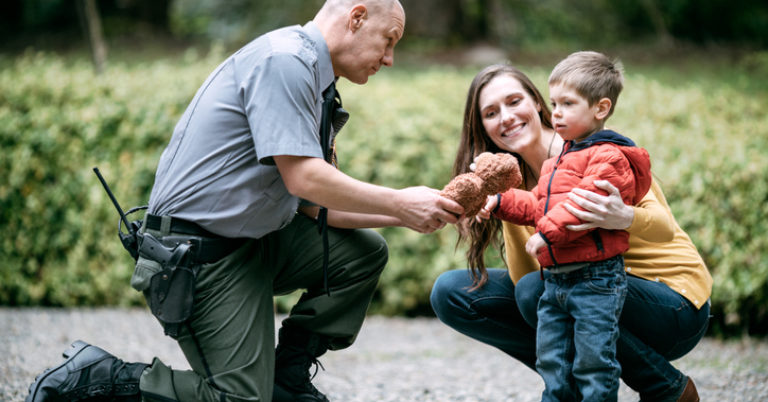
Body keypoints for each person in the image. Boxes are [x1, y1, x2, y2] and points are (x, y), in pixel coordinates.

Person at [26, 1, 463, 402]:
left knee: (361, 254)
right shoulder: (286, 60)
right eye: (389, 41)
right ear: (357, 17)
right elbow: (304, 177)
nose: (389, 58)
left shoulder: (318, 79)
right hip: (195, 256)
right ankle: (100, 376)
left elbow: (313, 204)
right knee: (239, 398)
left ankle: (284, 380)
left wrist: (406, 216)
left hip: (253, 241)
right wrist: (400, 202)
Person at [430, 63, 712, 402]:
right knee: (453, 292)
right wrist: (501, 203)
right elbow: (525, 281)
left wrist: (624, 216)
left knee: (542, 288)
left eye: (514, 101)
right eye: (491, 112)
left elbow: (665, 230)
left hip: (670, 304)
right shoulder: (513, 178)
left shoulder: (594, 149)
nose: (505, 117)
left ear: (537, 103)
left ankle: (665, 388)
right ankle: (570, 386)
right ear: (484, 127)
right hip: (583, 290)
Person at [477, 51, 651, 401]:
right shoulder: (561, 160)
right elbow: (539, 204)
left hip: (596, 280)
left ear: (600, 108)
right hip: (558, 278)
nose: (555, 112)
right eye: (553, 102)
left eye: (567, 104)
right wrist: (499, 202)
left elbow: (579, 205)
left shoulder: (608, 157)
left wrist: (546, 234)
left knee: (594, 362)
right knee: (553, 362)